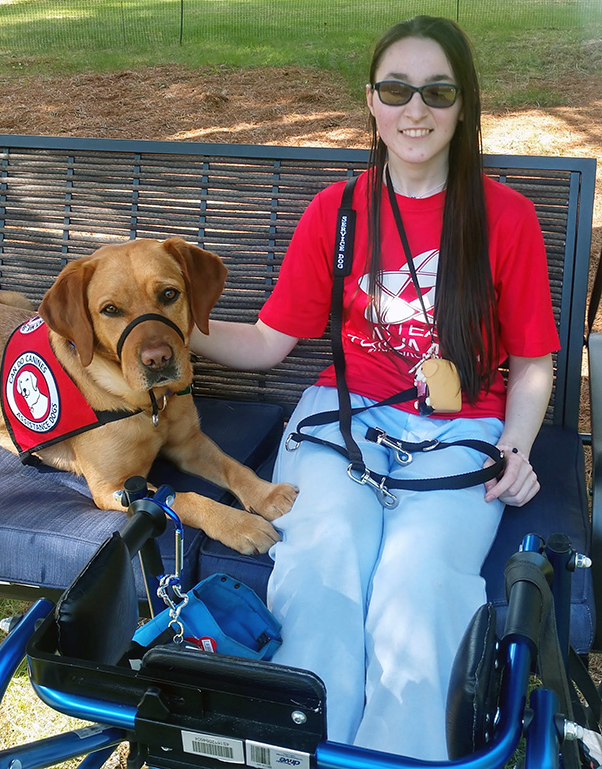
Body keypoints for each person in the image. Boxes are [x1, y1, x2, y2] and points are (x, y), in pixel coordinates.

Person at [190, 15, 559, 761]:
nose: (415, 109)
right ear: (371, 101)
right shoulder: (338, 211)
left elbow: (534, 365)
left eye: (437, 91)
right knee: (326, 559)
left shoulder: (506, 219)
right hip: (343, 423)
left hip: (461, 432)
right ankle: (305, 748)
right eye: (396, 89)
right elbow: (267, 343)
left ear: (464, 105)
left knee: (419, 585)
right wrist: (164, 326)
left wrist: (515, 447)